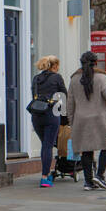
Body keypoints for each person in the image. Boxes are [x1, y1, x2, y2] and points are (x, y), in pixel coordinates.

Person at [67, 51, 106, 190]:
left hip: (81, 119)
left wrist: (71, 121)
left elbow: (70, 103)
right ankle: (100, 175)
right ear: (96, 62)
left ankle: (88, 182)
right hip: (100, 118)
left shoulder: (74, 79)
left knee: (86, 150)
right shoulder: (102, 78)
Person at [29, 55, 66, 187]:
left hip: (36, 115)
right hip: (51, 114)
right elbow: (64, 94)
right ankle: (44, 177)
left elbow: (33, 94)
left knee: (45, 145)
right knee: (48, 145)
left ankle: (46, 174)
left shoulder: (36, 78)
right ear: (55, 66)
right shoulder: (57, 77)